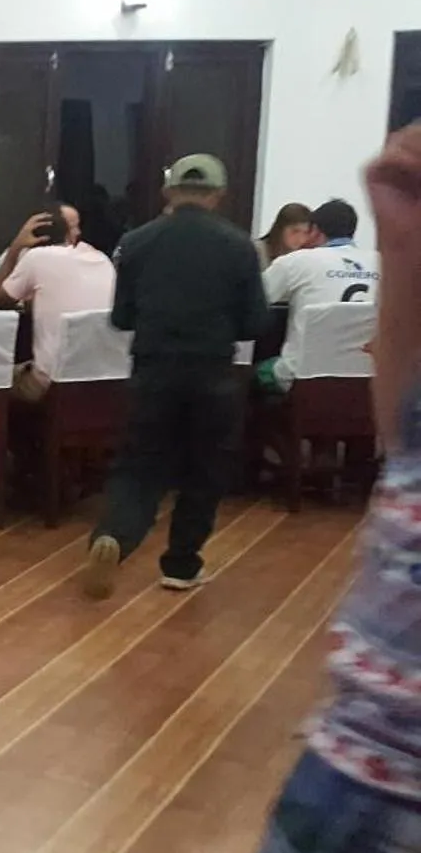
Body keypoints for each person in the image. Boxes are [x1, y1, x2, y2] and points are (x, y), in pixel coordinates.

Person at [231, 126, 421, 853]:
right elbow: (403, 429)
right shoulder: (374, 267)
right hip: (347, 775)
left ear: (302, 234)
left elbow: (254, 313)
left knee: (248, 383)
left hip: (372, 783)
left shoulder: (292, 262)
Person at [80, 155, 269, 599]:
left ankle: (113, 536)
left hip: (153, 370)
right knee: (205, 470)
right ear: (218, 195)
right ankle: (181, 565)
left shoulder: (137, 241)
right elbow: (255, 323)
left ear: (169, 193)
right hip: (213, 374)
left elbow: (122, 317)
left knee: (138, 466)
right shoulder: (240, 245)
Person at [0, 205, 117, 401]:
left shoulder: (36, 257)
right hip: (104, 378)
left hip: (52, 383)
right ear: (68, 234)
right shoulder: (101, 258)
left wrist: (15, 248)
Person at [258, 198, 381, 393]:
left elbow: (252, 299)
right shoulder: (382, 262)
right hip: (370, 381)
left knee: (257, 372)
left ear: (314, 230)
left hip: (302, 379)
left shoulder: (296, 261)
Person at [257, 201, 315, 270]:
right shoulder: (257, 251)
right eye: (295, 231)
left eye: (305, 233)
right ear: (280, 229)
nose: (300, 239)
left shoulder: (304, 256)